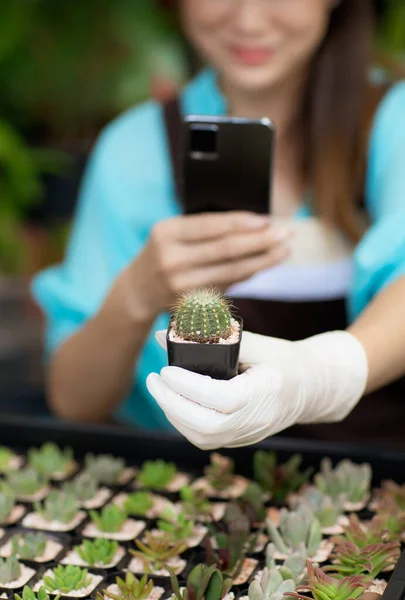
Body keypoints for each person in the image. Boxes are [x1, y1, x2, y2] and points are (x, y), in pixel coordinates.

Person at [33, 0, 405, 448]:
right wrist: (137, 292)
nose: (249, 20)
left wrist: (321, 377)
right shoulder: (131, 151)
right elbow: (74, 401)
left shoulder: (391, 120)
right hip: (190, 489)